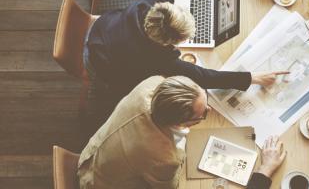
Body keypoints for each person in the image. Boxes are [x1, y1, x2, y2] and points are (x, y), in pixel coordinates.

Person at [78, 74, 286, 189]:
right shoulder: (164, 159)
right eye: (203, 114)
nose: (210, 111)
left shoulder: (150, 85)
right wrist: (265, 170)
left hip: (93, 156)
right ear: (181, 123)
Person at [84, 0, 287, 102]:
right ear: (166, 43)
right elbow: (203, 77)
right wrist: (252, 78)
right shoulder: (156, 59)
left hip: (101, 30)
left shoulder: (146, 3)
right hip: (101, 66)